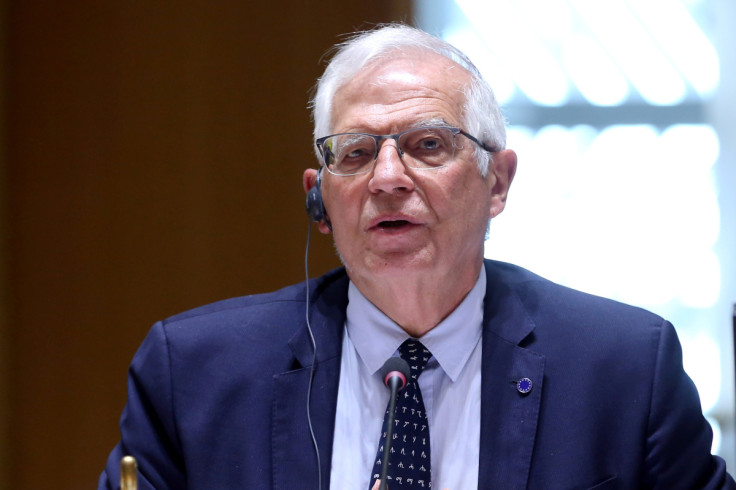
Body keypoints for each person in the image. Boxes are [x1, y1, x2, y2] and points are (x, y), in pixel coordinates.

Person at [99, 24, 735, 489]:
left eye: (427, 144)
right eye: (354, 153)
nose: (386, 178)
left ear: (499, 182)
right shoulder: (194, 373)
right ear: (319, 199)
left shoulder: (623, 367)